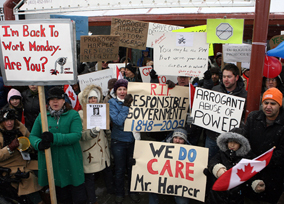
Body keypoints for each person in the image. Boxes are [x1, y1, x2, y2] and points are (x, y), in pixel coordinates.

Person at [29, 86, 87, 204]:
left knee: (77, 196)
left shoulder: (73, 115)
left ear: (63, 100)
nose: (55, 102)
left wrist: (54, 138)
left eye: (58, 99)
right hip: (52, 162)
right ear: (48, 101)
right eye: (52, 99)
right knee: (60, 196)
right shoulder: (42, 116)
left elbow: (76, 135)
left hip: (70, 161)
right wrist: (38, 144)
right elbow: (33, 136)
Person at [234, 87, 284, 203]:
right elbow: (244, 142)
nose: (268, 106)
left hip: (273, 177)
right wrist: (253, 159)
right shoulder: (253, 117)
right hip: (251, 171)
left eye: (273, 103)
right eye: (266, 103)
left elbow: (282, 153)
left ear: (280, 105)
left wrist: (262, 161)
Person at [78, 84, 114, 204]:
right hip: (89, 149)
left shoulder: (102, 110)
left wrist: (109, 142)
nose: (93, 100)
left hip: (103, 148)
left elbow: (107, 130)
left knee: (107, 171)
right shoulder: (80, 114)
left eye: (94, 98)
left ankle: (111, 192)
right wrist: (91, 133)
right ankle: (92, 200)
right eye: (90, 98)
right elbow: (80, 135)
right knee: (90, 176)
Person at [207, 131, 264, 204]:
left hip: (236, 196)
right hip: (217, 195)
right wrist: (218, 169)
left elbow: (251, 174)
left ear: (241, 144)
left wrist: (255, 183)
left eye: (236, 142)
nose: (232, 145)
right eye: (230, 141)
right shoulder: (222, 153)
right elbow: (213, 161)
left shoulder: (247, 158)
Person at [0, 108, 43, 203]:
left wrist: (29, 146)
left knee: (45, 169)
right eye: (6, 121)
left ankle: (49, 194)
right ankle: (38, 202)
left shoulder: (19, 127)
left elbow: (30, 138)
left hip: (25, 161)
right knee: (29, 179)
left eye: (11, 120)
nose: (9, 123)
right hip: (9, 165)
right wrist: (9, 148)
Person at [205, 63, 247, 160]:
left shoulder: (244, 95)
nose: (226, 79)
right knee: (209, 163)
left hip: (231, 141)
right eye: (224, 76)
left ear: (236, 78)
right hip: (212, 137)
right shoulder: (215, 90)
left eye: (229, 76)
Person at [108, 79, 140, 204]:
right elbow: (118, 121)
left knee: (133, 167)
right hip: (119, 141)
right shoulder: (112, 102)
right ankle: (120, 193)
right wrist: (126, 106)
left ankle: (133, 191)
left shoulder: (135, 101)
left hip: (133, 140)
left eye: (125, 89)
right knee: (120, 169)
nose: (122, 91)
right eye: (119, 89)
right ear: (116, 91)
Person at [148, 127, 191, 204]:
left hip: (179, 183)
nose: (177, 141)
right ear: (172, 138)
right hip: (162, 180)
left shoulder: (191, 152)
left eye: (181, 139)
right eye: (175, 138)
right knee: (150, 186)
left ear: (185, 140)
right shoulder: (162, 146)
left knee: (182, 202)